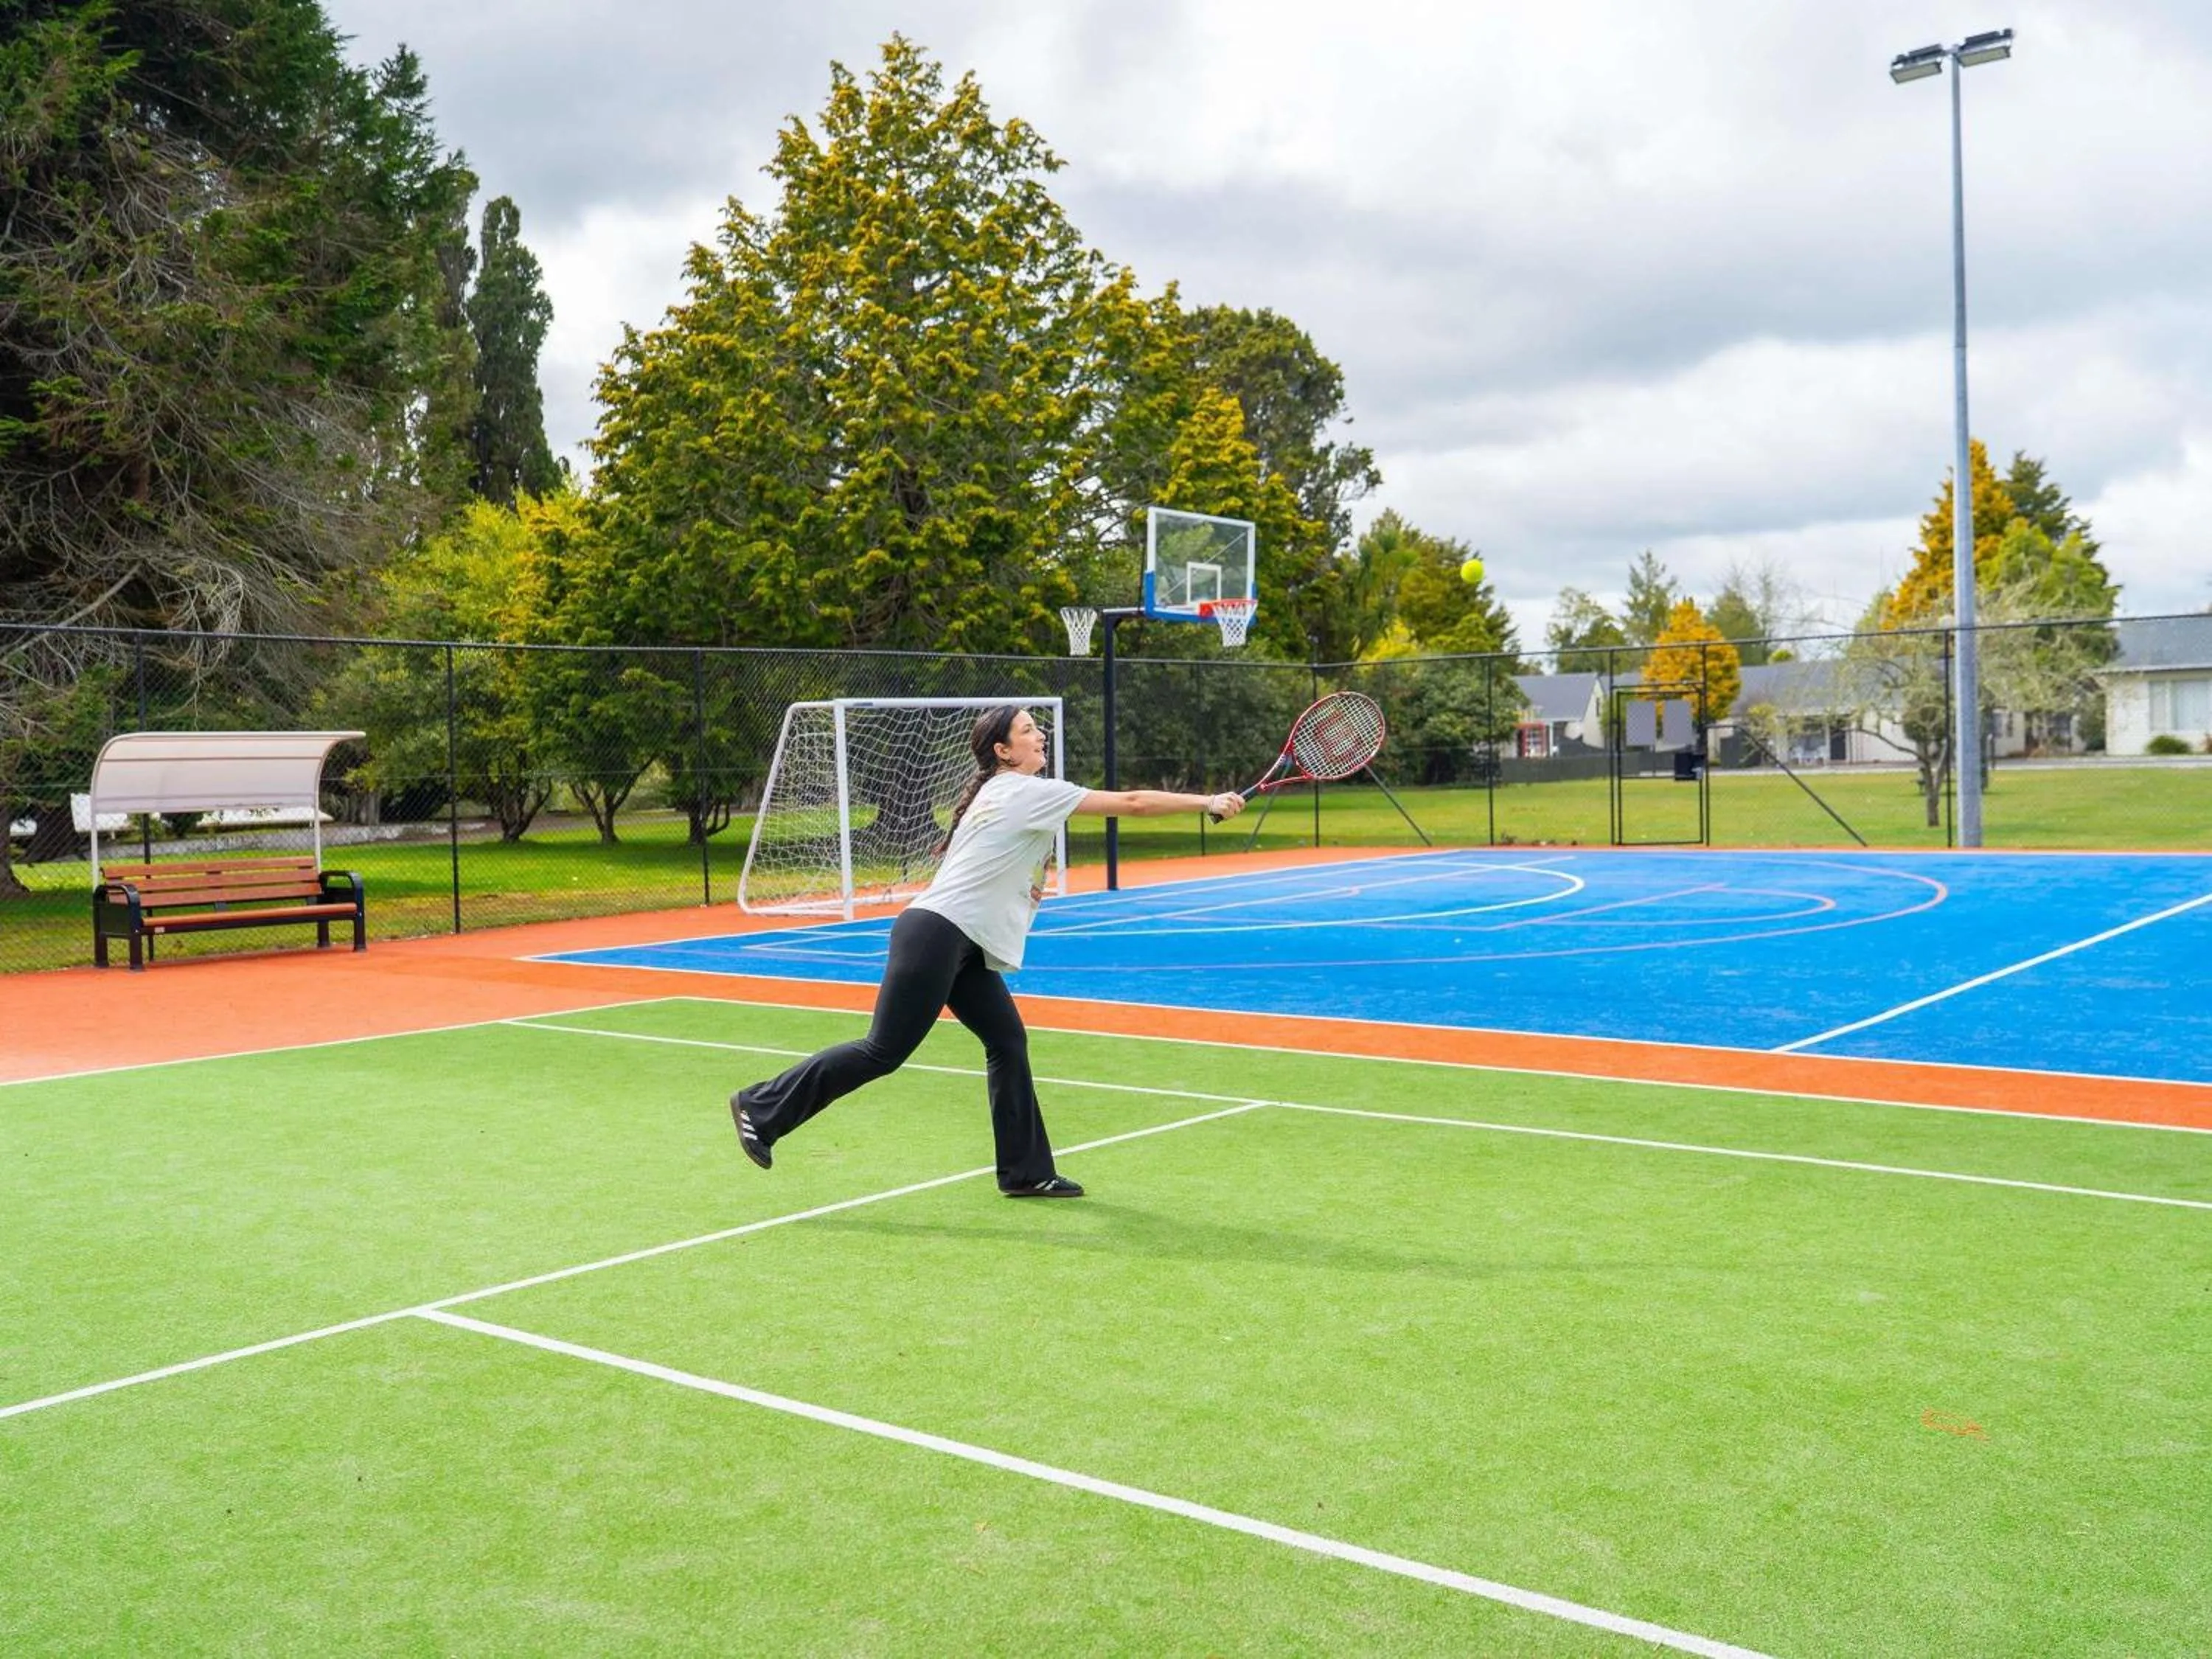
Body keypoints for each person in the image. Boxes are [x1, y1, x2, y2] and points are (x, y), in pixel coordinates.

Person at [731, 704, 1245, 1197]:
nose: (1039, 734)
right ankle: (760, 1106)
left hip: (959, 940)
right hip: (937, 933)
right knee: (882, 1051)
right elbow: (1131, 804)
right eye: (1026, 731)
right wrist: (1207, 803)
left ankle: (1025, 1173)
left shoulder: (998, 794)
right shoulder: (1023, 791)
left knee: (1007, 1041)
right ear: (1003, 750)